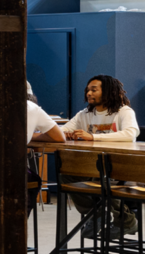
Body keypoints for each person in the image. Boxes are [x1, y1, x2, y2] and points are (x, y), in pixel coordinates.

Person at [60, 75, 140, 239]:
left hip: (121, 168)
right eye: (87, 90)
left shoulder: (123, 111)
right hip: (93, 166)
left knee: (105, 178)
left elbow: (131, 133)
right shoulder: (85, 114)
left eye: (94, 90)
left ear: (108, 91)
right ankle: (96, 214)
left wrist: (93, 137)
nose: (89, 93)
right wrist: (65, 134)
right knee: (66, 175)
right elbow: (62, 131)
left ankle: (126, 221)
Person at [26, 81, 65, 216]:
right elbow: (59, 137)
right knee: (33, 180)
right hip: (11, 168)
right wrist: (29, 135)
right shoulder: (32, 107)